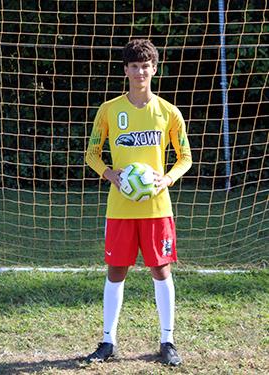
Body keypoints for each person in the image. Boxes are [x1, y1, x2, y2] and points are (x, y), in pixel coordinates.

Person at [85, 39, 192, 366]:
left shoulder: (168, 112)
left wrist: (168, 178)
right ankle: (107, 341)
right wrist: (109, 173)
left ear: (154, 69)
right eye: (134, 66)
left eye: (145, 66)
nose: (140, 71)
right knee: (116, 270)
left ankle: (167, 340)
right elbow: (91, 153)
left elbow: (185, 157)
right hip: (120, 208)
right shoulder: (109, 110)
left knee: (161, 269)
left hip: (157, 207)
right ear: (126, 70)